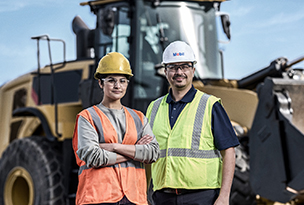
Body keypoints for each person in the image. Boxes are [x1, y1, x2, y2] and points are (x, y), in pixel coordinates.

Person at [146, 41, 239, 205]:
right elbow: (146, 155)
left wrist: (224, 197)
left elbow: (229, 152)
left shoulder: (210, 105)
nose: (179, 72)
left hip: (202, 197)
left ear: (193, 70)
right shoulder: (153, 108)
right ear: (165, 71)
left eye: (184, 66)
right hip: (162, 197)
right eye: (173, 67)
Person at [73, 52, 160, 205]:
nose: (117, 86)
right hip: (99, 198)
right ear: (101, 83)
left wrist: (114, 147)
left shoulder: (139, 118)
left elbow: (153, 152)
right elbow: (94, 157)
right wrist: (134, 152)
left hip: (135, 198)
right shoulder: (87, 117)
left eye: (122, 81)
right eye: (111, 80)